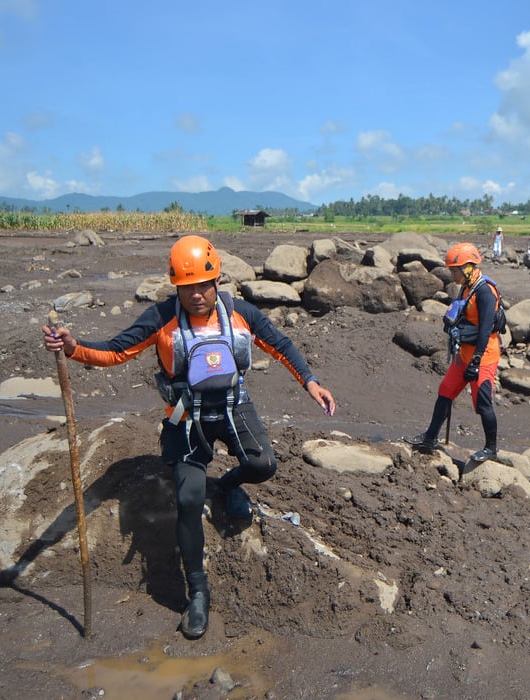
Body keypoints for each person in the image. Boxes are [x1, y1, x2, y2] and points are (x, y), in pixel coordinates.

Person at [40, 235, 336, 640]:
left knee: (264, 464)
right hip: (184, 416)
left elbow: (280, 344)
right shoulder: (161, 317)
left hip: (233, 406)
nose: (196, 295)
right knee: (188, 500)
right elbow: (114, 352)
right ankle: (197, 591)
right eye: (187, 287)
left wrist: (311, 381)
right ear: (175, 286)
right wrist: (74, 348)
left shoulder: (241, 313)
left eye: (203, 285)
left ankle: (228, 483)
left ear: (217, 281)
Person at [404, 242, 502, 464]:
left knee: (482, 402)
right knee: (445, 391)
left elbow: (486, 329)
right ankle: (430, 438)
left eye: (454, 270)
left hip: (483, 356)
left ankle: (491, 448)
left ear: (468, 267)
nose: (452, 274)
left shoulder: (485, 291)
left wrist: (476, 361)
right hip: (463, 354)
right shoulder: (466, 287)